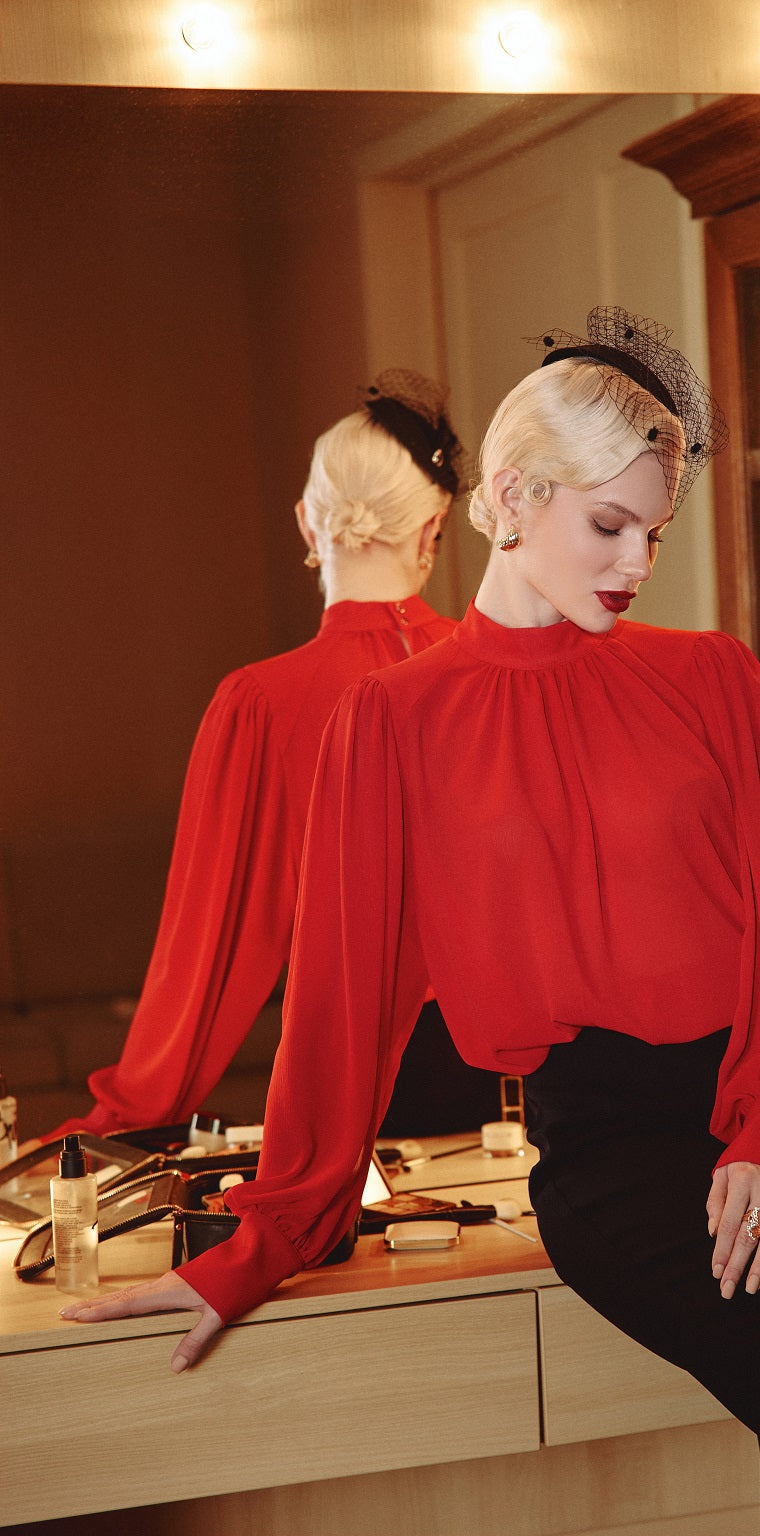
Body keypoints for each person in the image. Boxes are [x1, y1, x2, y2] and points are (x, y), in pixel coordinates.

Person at [63, 309, 760, 1534]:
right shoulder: (389, 724)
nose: (633, 561)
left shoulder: (710, 674)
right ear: (509, 495)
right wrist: (264, 1234)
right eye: (607, 524)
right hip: (619, 1157)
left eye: (652, 532)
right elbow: (344, 1002)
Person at [40, 370, 497, 1144]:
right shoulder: (492, 672)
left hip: (347, 1072)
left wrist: (126, 1114)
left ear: (308, 526)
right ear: (432, 528)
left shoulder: (260, 703)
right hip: (517, 1074)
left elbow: (209, 947)